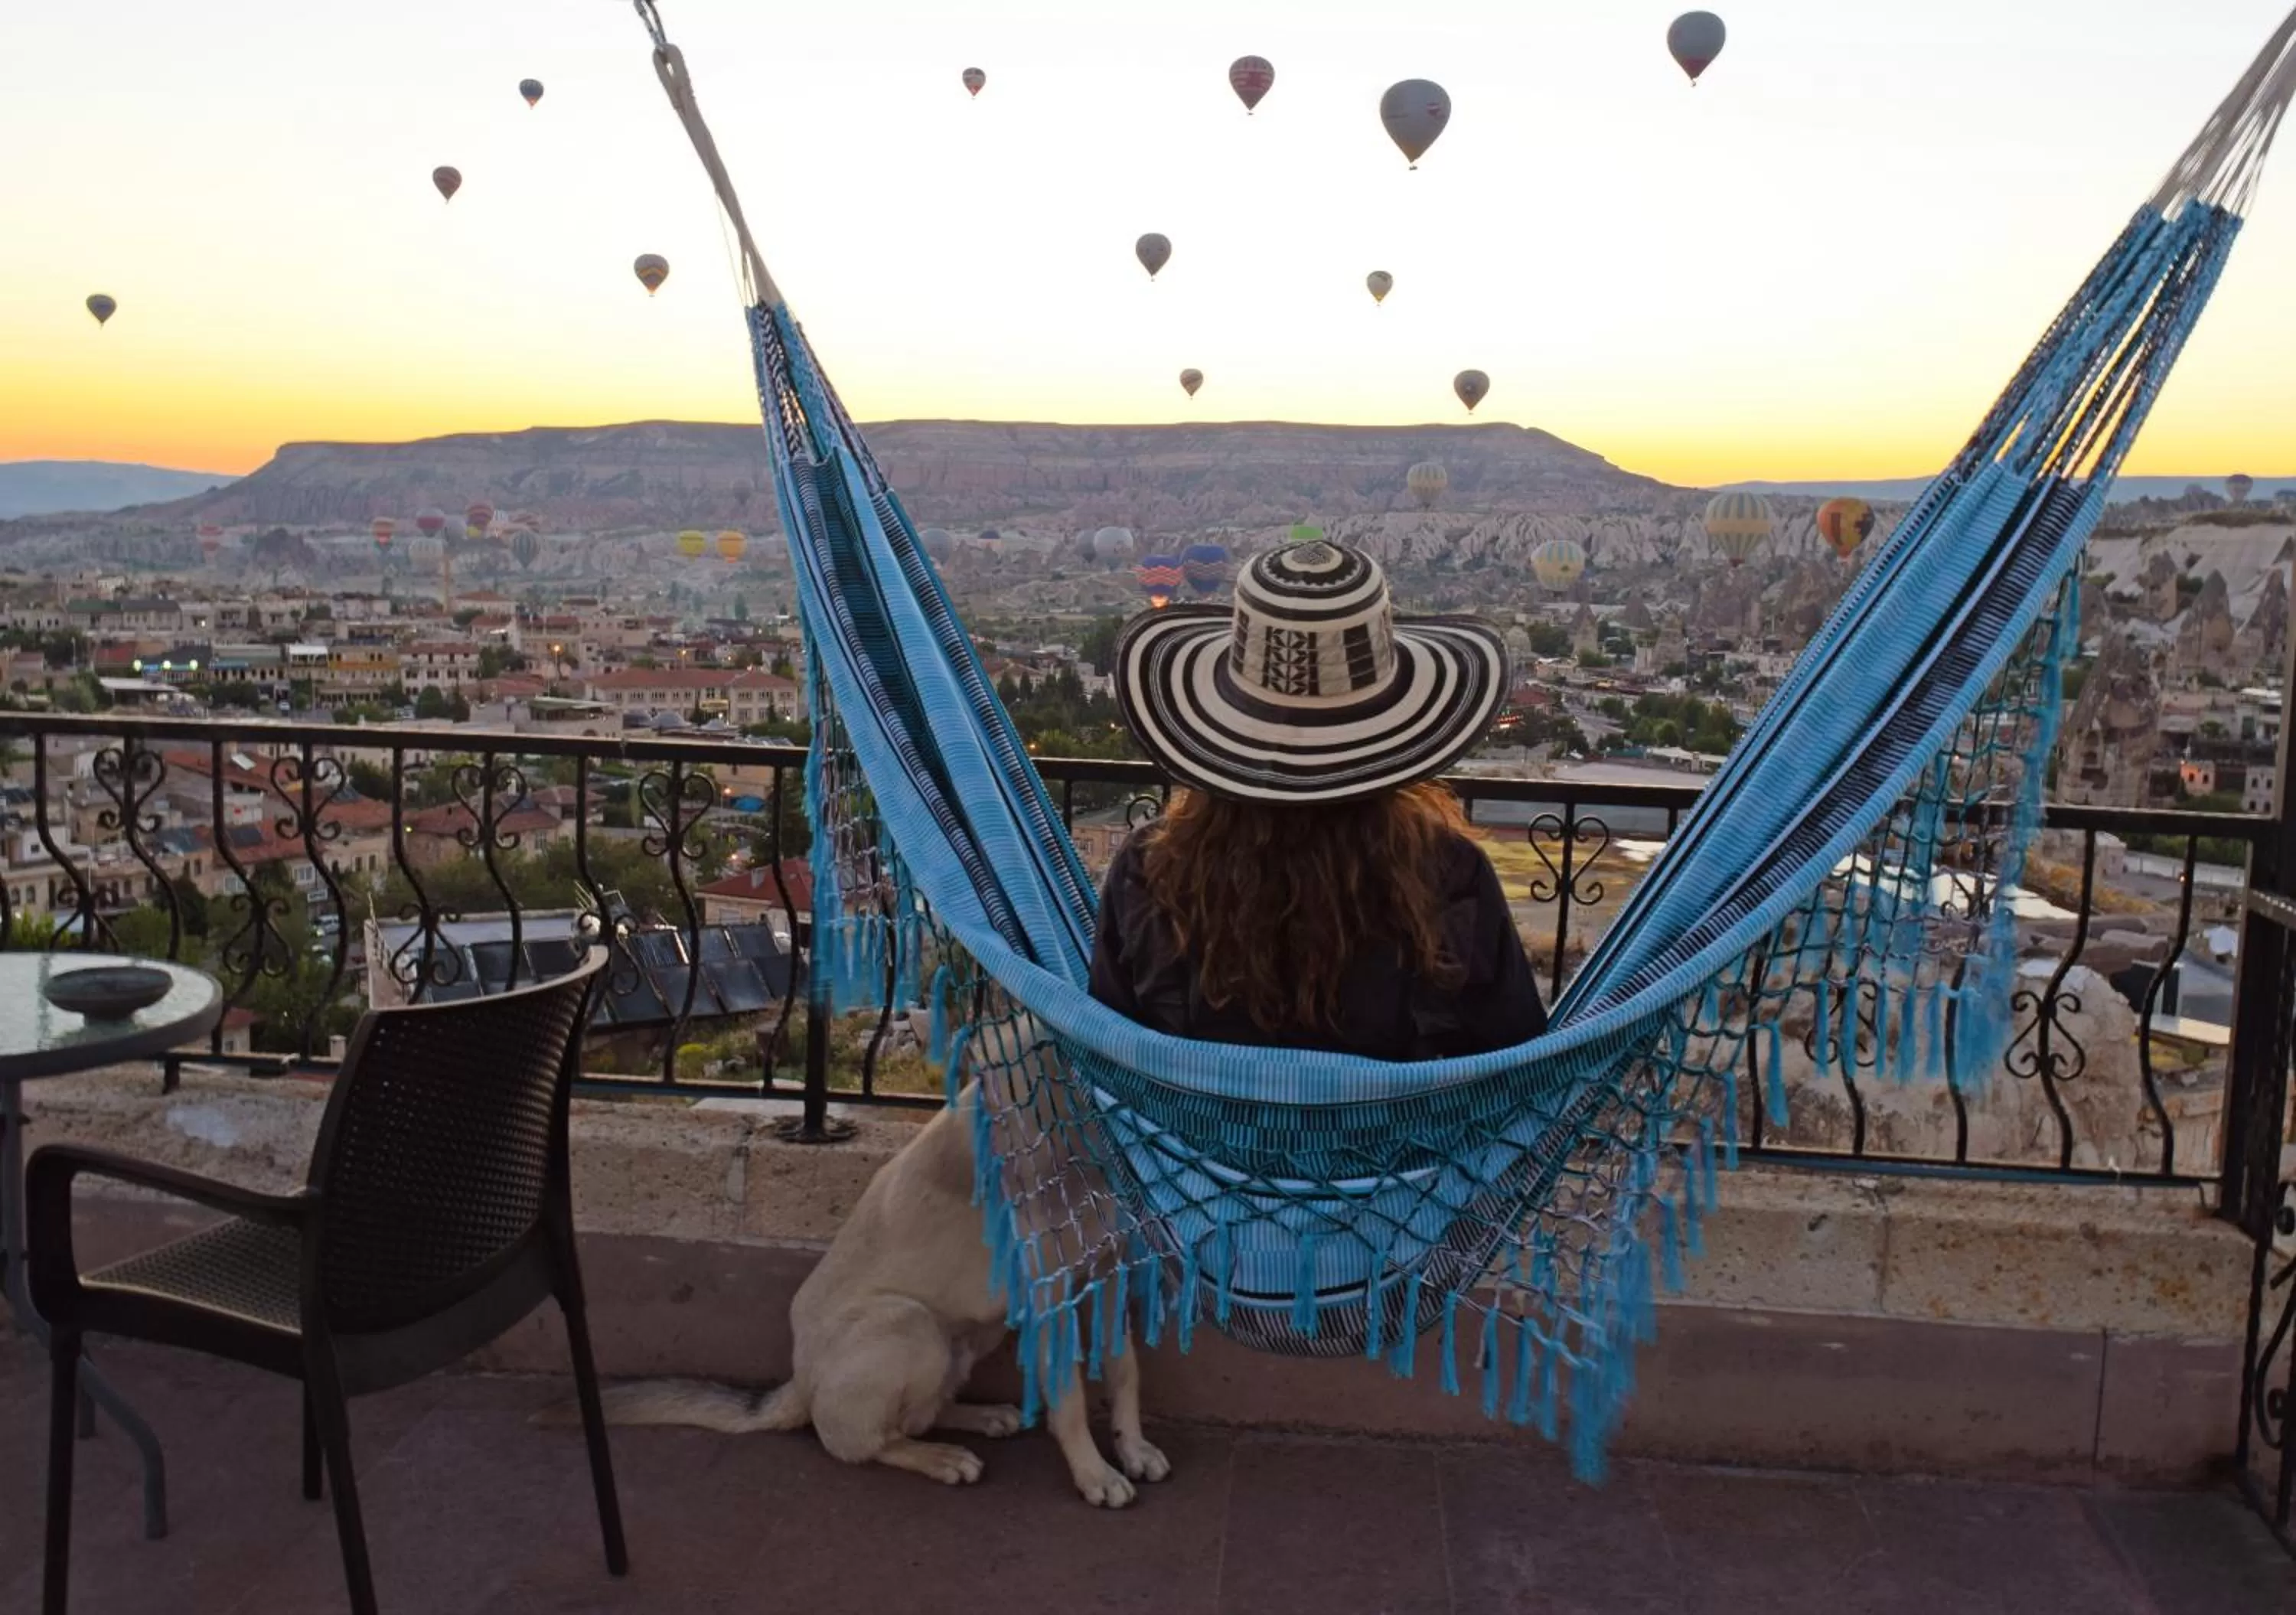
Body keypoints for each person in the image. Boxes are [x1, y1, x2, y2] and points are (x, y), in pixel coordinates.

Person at [1091, 537, 1546, 1060]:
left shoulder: (1150, 869)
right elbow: (1514, 1056)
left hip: (1181, 1140)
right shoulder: (1447, 873)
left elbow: (1110, 1048)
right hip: (1392, 1140)